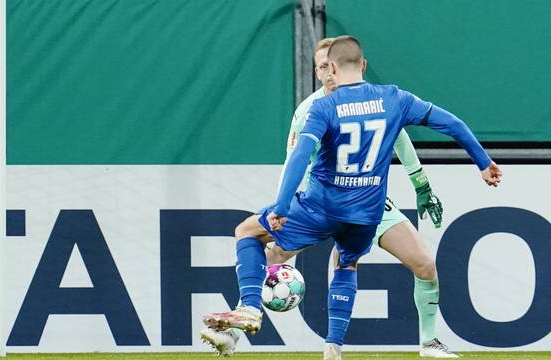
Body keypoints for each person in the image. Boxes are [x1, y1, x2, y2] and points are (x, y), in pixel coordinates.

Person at [202, 35, 502, 360]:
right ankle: (332, 351)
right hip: (366, 213)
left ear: (331, 67)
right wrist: (483, 162)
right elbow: (451, 123)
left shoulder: (322, 108)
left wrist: (282, 204)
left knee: (248, 232)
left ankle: (248, 308)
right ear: (364, 65)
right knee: (347, 263)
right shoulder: (393, 98)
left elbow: (300, 157)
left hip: (323, 207)